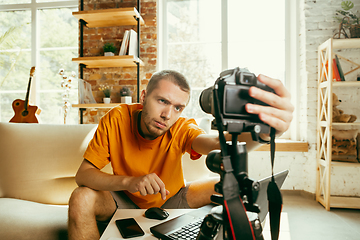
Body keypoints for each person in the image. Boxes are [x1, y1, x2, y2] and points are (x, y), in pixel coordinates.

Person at [68, 70, 294, 240]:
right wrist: (130, 182)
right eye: (162, 101)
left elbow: (217, 143)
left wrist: (268, 132)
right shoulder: (116, 118)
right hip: (124, 197)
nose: (167, 114)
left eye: (177, 107)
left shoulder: (181, 127)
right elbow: (84, 175)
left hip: (173, 196)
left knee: (232, 186)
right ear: (144, 96)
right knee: (81, 198)